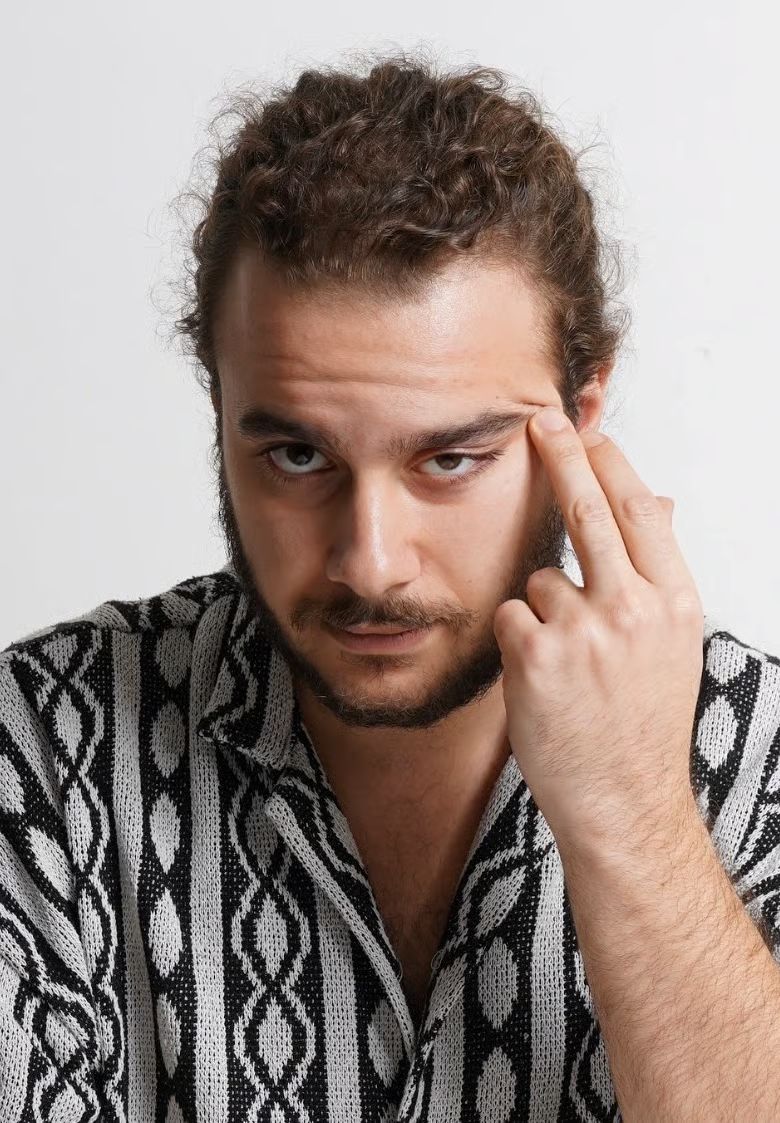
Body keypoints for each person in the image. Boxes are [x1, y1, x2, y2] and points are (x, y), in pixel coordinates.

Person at [2, 52, 779, 1123]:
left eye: (449, 459)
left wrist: (637, 817)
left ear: (582, 417)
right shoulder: (47, 752)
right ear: (220, 413)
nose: (370, 562)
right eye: (298, 457)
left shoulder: (758, 756)